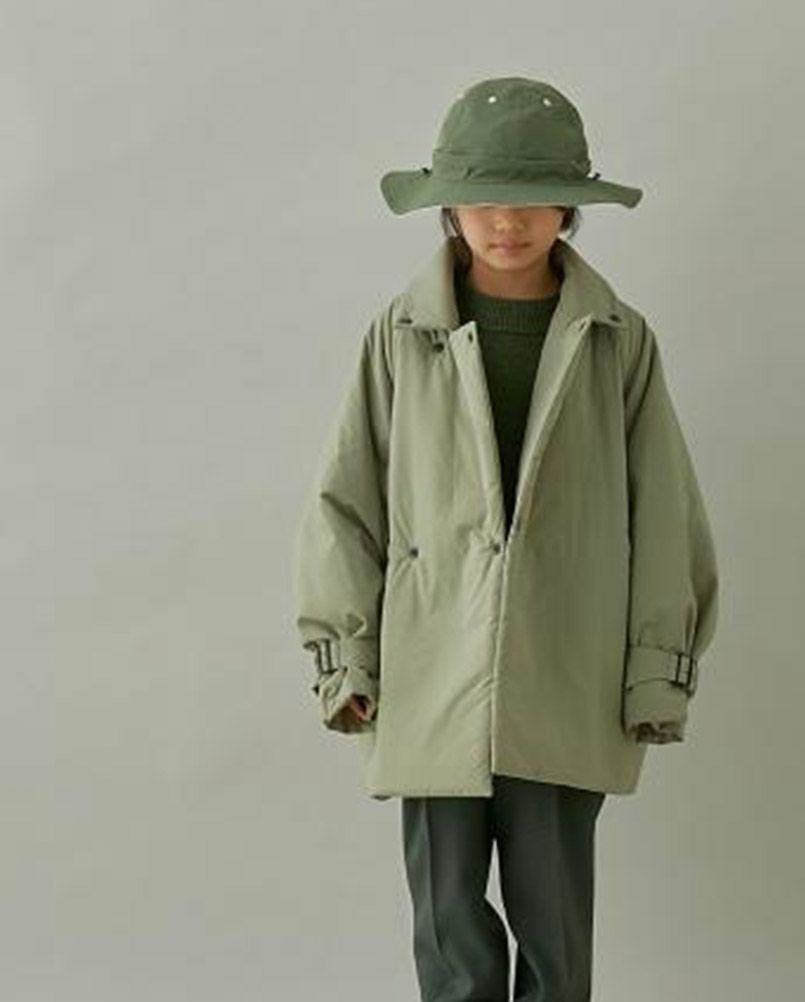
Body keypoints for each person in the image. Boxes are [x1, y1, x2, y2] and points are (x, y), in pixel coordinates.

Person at [292, 75, 720, 1002]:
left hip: (566, 668)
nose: (507, 223)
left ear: (569, 207)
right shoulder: (400, 335)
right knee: (448, 924)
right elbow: (345, 504)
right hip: (429, 666)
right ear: (449, 207)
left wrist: (655, 670)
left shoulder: (617, 341)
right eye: (484, 199)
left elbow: (664, 514)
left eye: (532, 198)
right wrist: (347, 659)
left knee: (554, 925)